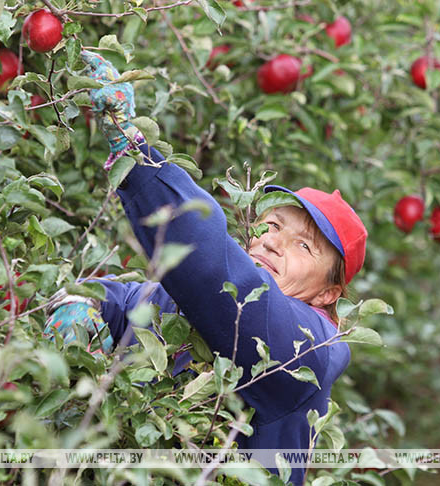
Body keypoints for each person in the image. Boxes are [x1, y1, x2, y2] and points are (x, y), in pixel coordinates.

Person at [43, 51, 368, 483]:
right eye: (270, 224)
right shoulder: (187, 301)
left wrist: (134, 152)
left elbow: (219, 277)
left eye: (304, 246)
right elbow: (135, 300)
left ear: (328, 294)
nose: (272, 241)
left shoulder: (314, 349)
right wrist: (85, 303)